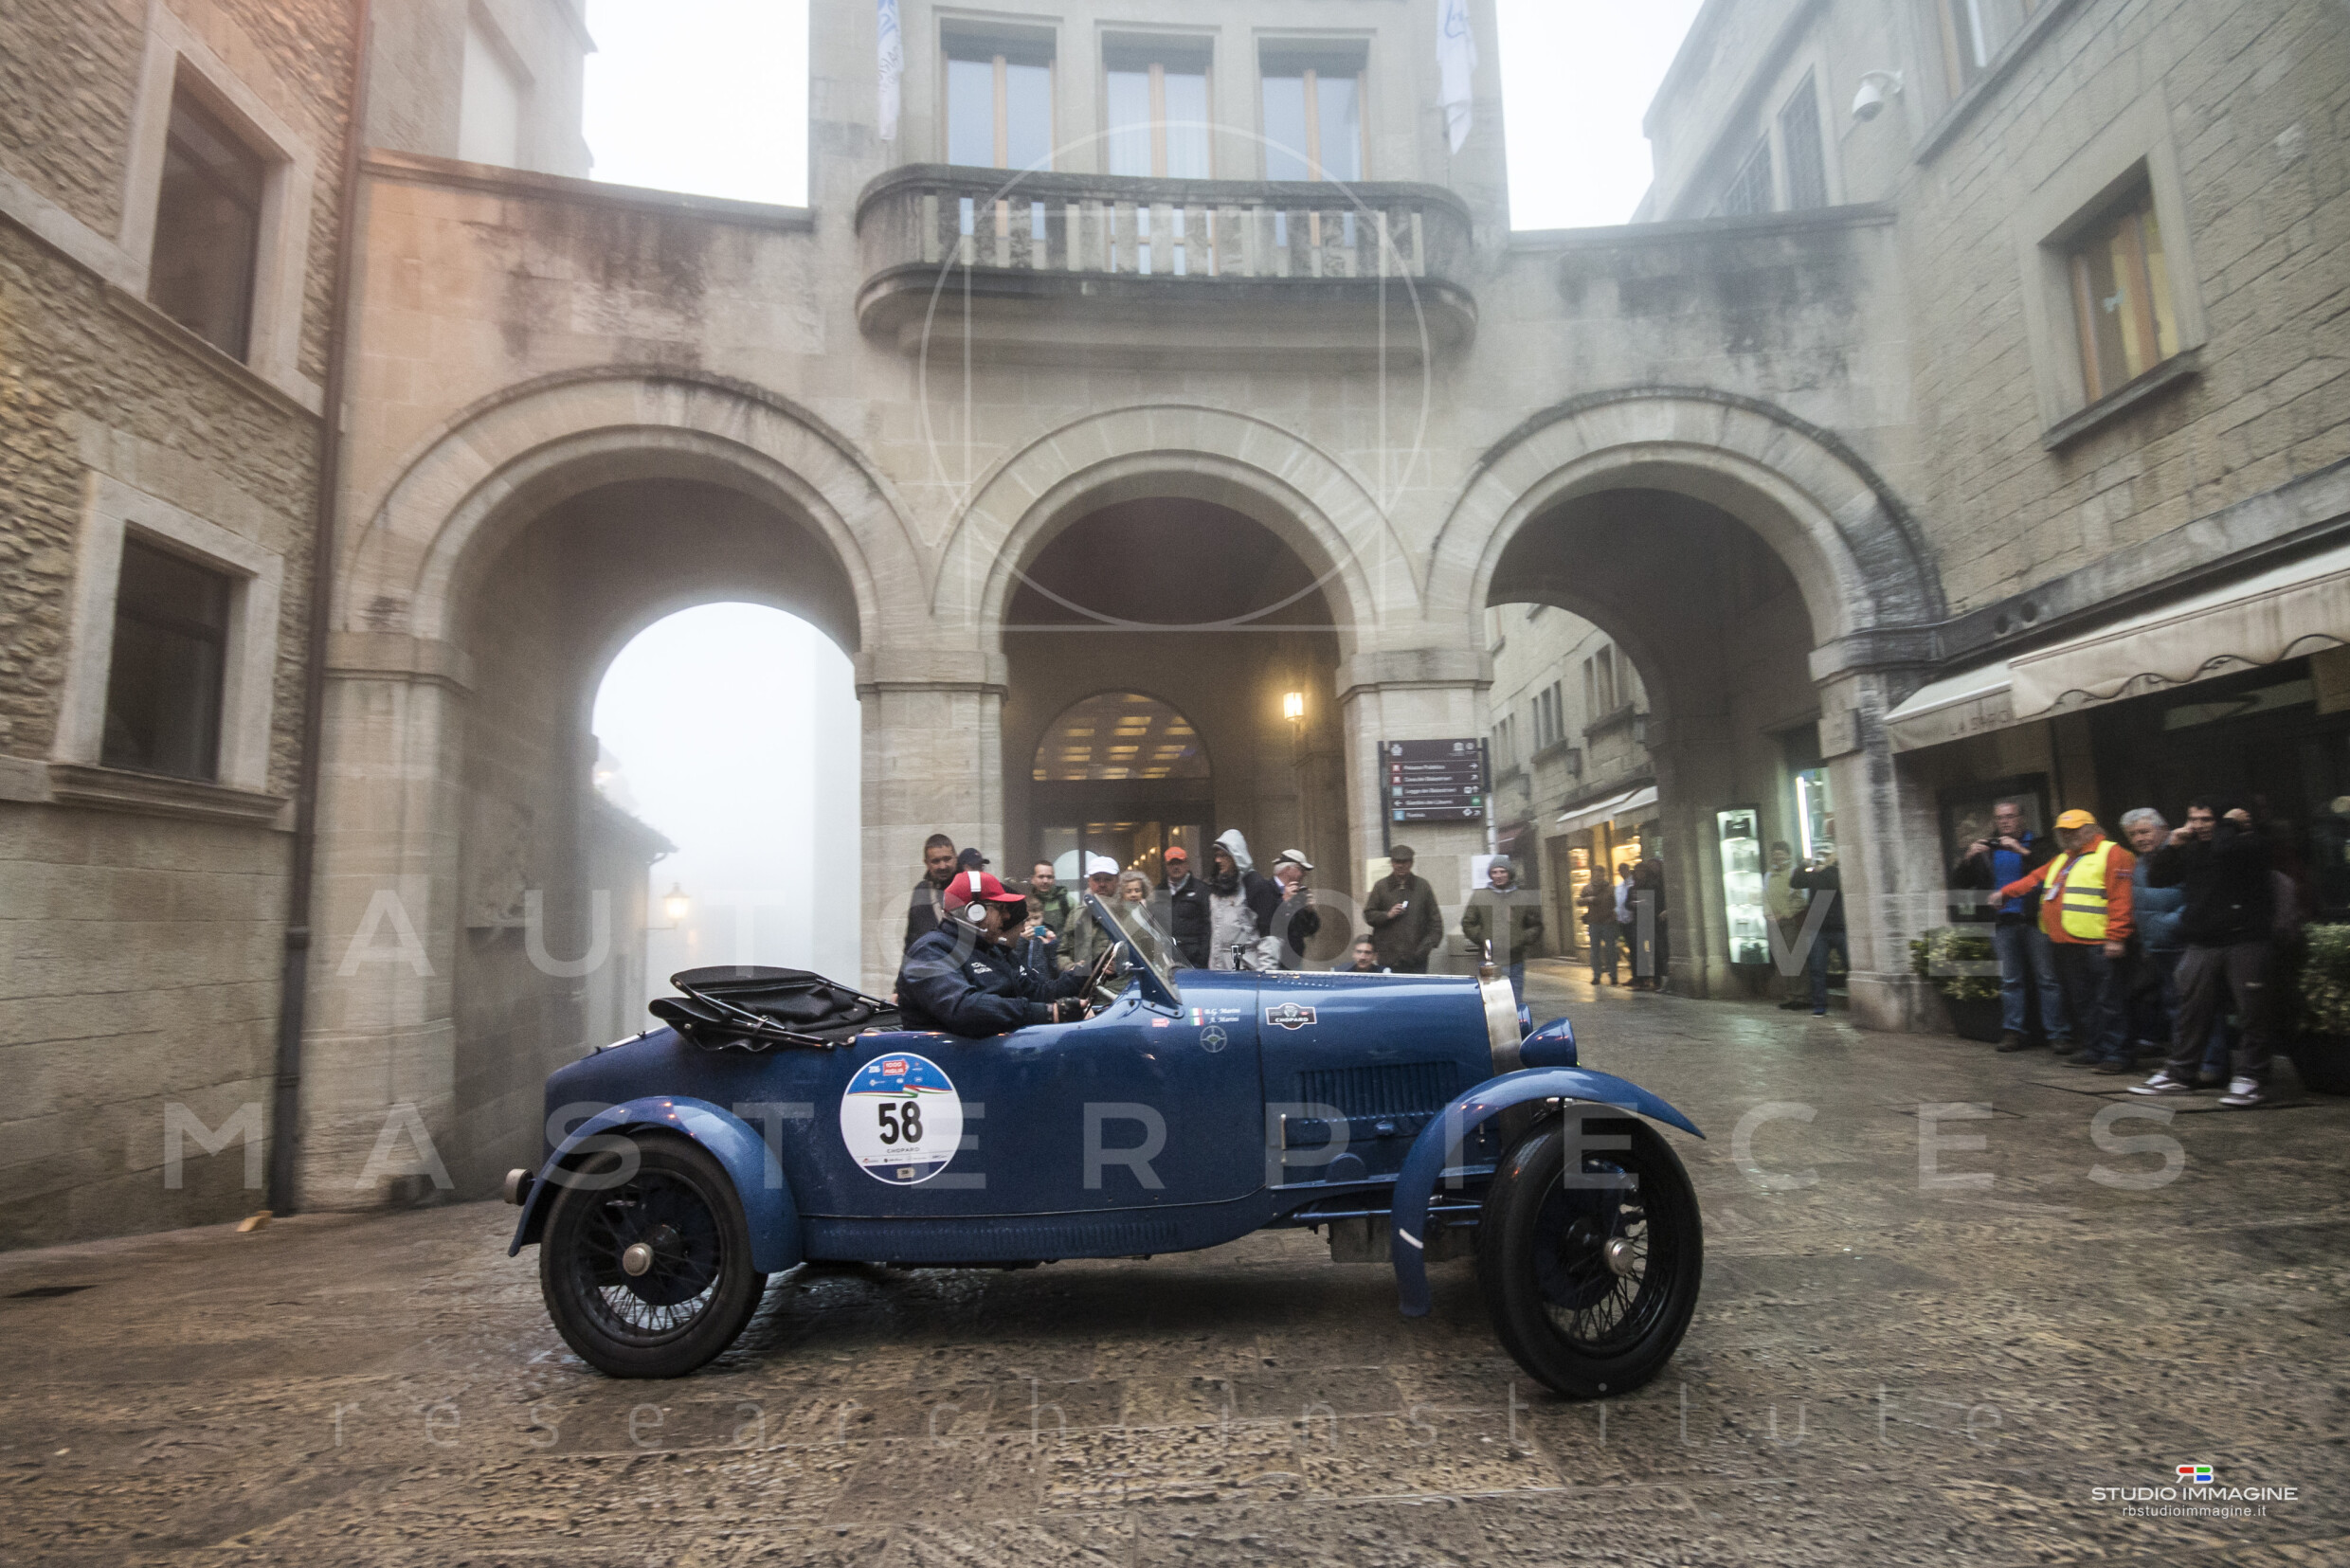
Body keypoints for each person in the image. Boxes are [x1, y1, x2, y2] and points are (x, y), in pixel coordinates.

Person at [2131, 801, 2276, 1107]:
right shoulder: (2193, 849)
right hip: (2203, 941)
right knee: (2191, 1010)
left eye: (2207, 819)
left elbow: (2226, 852)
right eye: (2193, 819)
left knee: (2252, 1012)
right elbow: (2158, 878)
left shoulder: (2249, 843)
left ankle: (2252, 1078)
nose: (2198, 825)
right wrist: (2173, 846)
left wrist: (2228, 826)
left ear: (2225, 820)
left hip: (2245, 939)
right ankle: (2180, 1073)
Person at [1997, 809, 2136, 1071]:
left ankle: (2117, 1054)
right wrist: (2005, 893)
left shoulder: (2111, 853)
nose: (2068, 835)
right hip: (2068, 943)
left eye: (2074, 830)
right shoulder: (2065, 858)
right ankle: (2094, 1049)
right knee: (2083, 1001)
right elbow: (2034, 879)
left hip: (2099, 943)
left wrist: (2116, 938)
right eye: (2063, 831)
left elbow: (2121, 899)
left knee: (2109, 1001)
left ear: (2091, 829)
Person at [896, 870, 1092, 1034]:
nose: (1006, 916)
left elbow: (1038, 992)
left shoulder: (991, 951)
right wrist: (1048, 1013)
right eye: (1000, 908)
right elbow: (964, 1009)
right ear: (975, 912)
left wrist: (1087, 971)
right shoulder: (929, 952)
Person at [1951, 802, 2066, 1053]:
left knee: (2047, 979)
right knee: (2010, 981)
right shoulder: (1986, 849)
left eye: (2010, 816)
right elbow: (1960, 883)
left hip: (2035, 920)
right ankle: (2013, 1032)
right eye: (2000, 817)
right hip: (2002, 924)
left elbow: (2056, 871)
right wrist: (1968, 858)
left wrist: (2022, 851)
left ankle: (2058, 1034)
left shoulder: (2039, 845)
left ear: (2022, 818)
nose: (2005, 821)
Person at [2120, 808, 2192, 1071]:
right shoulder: (2141, 862)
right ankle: (2181, 1060)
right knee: (2171, 1003)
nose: (2139, 838)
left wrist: (2171, 924)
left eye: (2144, 831)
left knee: (2189, 1004)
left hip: (2182, 942)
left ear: (2163, 829)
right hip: (2157, 944)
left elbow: (2195, 897)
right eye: (2132, 834)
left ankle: (2200, 1063)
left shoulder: (2180, 854)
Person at [1460, 855, 1544, 1005]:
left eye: (1502, 871)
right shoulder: (1480, 896)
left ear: (1509, 873)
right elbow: (1468, 923)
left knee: (1514, 1004)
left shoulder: (1522, 896)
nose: (1498, 876)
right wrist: (1484, 938)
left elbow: (1535, 925)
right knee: (1491, 1004)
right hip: (1489, 962)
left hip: (1515, 960)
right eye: (1494, 872)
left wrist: (1521, 938)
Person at [1206, 830, 1282, 970]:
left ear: (1236, 856)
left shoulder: (1255, 886)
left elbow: (1268, 935)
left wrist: (1266, 974)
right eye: (1217, 855)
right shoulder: (1218, 887)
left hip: (1243, 969)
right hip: (1219, 968)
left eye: (1223, 855)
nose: (1218, 860)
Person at [1365, 843, 1443, 974]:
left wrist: (1425, 948)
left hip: (1417, 959)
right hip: (1388, 958)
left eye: (1404, 862)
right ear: (1391, 863)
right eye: (1397, 862)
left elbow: (1436, 923)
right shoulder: (1381, 886)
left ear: (1411, 863)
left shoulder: (1422, 886)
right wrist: (1387, 915)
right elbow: (1368, 915)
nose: (1400, 866)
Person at [1788, 846, 1847, 1017]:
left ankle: (1859, 1001)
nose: (1823, 858)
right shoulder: (1815, 874)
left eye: (1826, 855)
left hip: (1839, 926)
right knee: (1817, 968)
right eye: (1821, 855)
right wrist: (1803, 865)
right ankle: (1819, 1006)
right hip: (1818, 928)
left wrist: (1826, 868)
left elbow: (1833, 884)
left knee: (1850, 964)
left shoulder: (1837, 871)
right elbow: (1796, 882)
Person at [1764, 840, 1811, 1008]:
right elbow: (1765, 897)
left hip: (1791, 921)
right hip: (1774, 923)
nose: (1777, 857)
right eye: (1775, 854)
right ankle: (1789, 996)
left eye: (1781, 854)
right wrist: (1768, 914)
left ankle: (1802, 996)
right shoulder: (1768, 876)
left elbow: (1801, 899)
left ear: (1788, 855)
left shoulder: (1794, 873)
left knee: (1796, 958)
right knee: (1782, 960)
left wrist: (1784, 914)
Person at [1057, 856, 1120, 973]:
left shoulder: (1129, 916)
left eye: (1108, 879)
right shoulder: (1075, 915)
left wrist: (1120, 967)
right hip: (1080, 983)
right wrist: (1071, 967)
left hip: (1117, 984)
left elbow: (1145, 959)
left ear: (1117, 881)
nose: (1102, 884)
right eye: (1097, 879)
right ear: (1089, 882)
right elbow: (1062, 953)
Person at [903, 834, 960, 954]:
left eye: (947, 859)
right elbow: (912, 938)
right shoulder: (921, 891)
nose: (943, 866)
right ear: (927, 863)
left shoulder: (971, 886)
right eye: (936, 861)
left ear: (956, 858)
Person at [1268, 850, 1323, 969]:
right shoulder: (1265, 889)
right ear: (1287, 869)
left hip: (1294, 961)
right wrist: (1284, 902)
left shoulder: (1299, 893)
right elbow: (1266, 924)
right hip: (1271, 960)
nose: (1304, 874)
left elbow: (1309, 931)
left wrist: (1309, 912)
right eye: (1301, 870)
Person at [1159, 846, 1211, 968]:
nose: (1176, 867)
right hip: (1167, 961)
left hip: (1195, 960)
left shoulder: (1201, 890)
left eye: (1179, 863)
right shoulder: (1159, 892)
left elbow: (1208, 926)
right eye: (1172, 864)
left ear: (1187, 864)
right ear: (1166, 866)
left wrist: (1203, 957)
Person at [1628, 854, 1669, 991]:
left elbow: (1657, 901)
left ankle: (1657, 979)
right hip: (1639, 921)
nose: (1639, 874)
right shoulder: (1634, 887)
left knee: (1654, 950)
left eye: (1642, 871)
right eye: (1637, 872)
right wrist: (1634, 904)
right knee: (1641, 951)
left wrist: (1644, 903)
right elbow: (1628, 903)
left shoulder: (1653, 884)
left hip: (1652, 920)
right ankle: (1643, 979)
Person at [1578, 871, 1620, 985]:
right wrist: (1588, 899)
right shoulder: (1587, 888)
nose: (1599, 877)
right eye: (1597, 875)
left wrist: (1613, 916)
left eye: (1601, 875)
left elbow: (1617, 903)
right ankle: (1596, 975)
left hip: (1608, 923)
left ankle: (1613, 975)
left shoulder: (1611, 888)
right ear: (1593, 876)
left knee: (1611, 950)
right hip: (1594, 923)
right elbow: (1579, 901)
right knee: (1594, 950)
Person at [1027, 860, 1077, 946]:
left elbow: (1081, 928)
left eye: (1049, 877)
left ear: (1054, 879)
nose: (1045, 881)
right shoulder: (1026, 903)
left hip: (1062, 951)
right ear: (1033, 879)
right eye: (1041, 877)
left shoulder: (1067, 901)